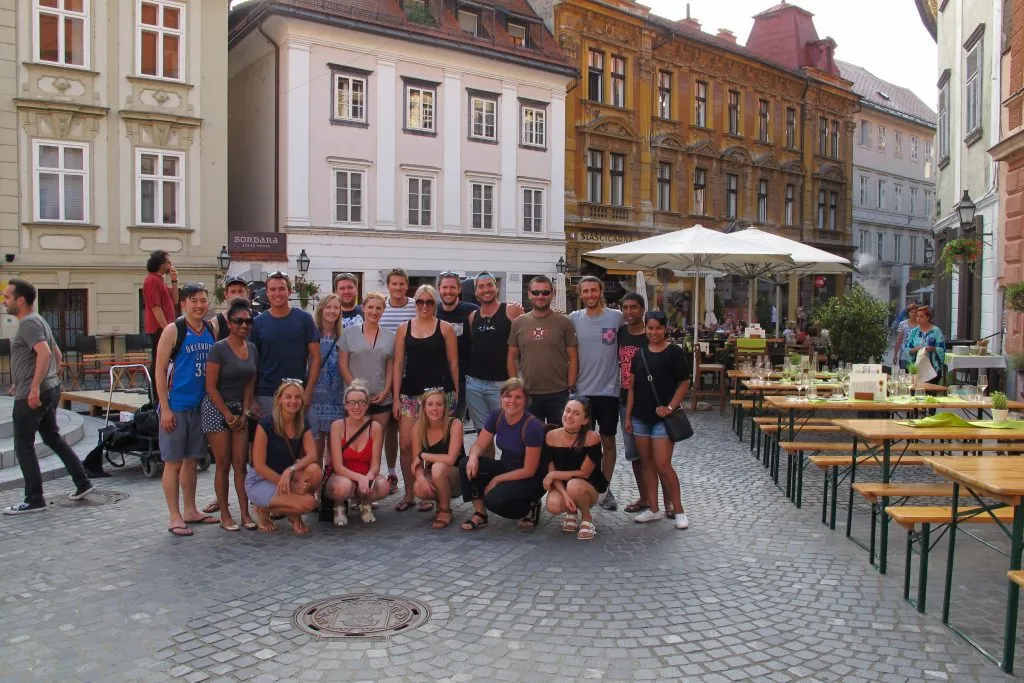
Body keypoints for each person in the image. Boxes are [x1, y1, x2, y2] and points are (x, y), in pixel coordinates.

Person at [2, 279, 94, 515]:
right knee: (53, 438)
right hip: (48, 388)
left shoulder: (28, 324)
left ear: (20, 300)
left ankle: (34, 499)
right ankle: (82, 482)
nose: (4, 301)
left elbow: (44, 352)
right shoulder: (39, 319)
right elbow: (56, 353)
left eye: (7, 297)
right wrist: (36, 379)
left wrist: (33, 388)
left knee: (23, 445)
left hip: (34, 394)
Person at [155, 282, 218, 536]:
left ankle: (191, 509)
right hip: (176, 406)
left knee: (192, 461)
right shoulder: (174, 330)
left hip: (200, 405)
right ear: (184, 303)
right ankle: (174, 515)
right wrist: (165, 407)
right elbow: (159, 370)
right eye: (194, 300)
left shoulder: (210, 329)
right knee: (173, 462)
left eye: (203, 300)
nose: (200, 305)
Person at [392, 284, 459, 512]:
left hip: (439, 394)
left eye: (429, 302)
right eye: (420, 302)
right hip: (410, 393)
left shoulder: (445, 328)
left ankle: (429, 493)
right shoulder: (404, 328)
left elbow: (453, 363)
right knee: (406, 444)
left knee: (435, 444)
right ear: (415, 303)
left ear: (435, 304)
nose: (424, 306)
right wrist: (395, 397)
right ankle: (410, 492)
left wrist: (456, 393)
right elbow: (399, 363)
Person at [624, 311, 691, 530]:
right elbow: (632, 388)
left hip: (664, 417)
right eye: (650, 328)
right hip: (640, 417)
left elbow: (684, 383)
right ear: (646, 329)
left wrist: (670, 407)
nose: (654, 332)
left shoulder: (674, 352)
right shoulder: (639, 354)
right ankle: (653, 508)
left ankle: (679, 510)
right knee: (647, 464)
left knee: (663, 465)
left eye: (658, 328)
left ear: (665, 329)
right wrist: (628, 416)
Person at [458, 378, 547, 531]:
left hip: (530, 479)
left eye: (518, 397)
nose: (512, 401)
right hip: (507, 467)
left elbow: (529, 470)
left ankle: (530, 505)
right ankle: (480, 514)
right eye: (508, 396)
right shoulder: (497, 416)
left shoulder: (532, 427)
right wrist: (473, 457)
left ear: (525, 401)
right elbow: (479, 444)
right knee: (465, 464)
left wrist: (496, 480)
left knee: (493, 499)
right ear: (501, 398)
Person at [201, 297, 257, 531]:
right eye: (239, 321)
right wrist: (227, 414)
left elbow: (249, 382)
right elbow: (210, 386)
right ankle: (225, 513)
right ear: (230, 323)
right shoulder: (219, 348)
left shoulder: (252, 348)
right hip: (217, 408)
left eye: (248, 321)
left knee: (240, 464)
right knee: (223, 465)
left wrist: (244, 412)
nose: (244, 325)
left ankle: (245, 512)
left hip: (239, 409)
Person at [568, 276, 623, 511]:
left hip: (610, 391)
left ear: (601, 292)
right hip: (583, 392)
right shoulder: (573, 319)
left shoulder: (616, 317)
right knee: (584, 443)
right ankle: (586, 483)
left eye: (593, 290)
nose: (589, 295)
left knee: (608, 441)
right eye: (585, 291)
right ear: (580, 294)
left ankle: (605, 488)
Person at [246, 379, 323, 534]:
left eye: (297, 397)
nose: (292, 401)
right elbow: (259, 466)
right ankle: (264, 509)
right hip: (261, 479)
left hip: (286, 475)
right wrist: (292, 486)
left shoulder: (302, 422)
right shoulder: (266, 423)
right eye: (288, 397)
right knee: (308, 504)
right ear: (279, 399)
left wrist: (290, 470)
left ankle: (292, 510)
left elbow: (313, 455)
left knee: (315, 471)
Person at [465, 272, 523, 454]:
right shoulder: (473, 316)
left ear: (496, 287)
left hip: (502, 385)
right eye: (481, 287)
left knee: (509, 432)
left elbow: (526, 338)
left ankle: (510, 474)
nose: (486, 290)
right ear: (475, 292)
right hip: (474, 384)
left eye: (489, 285)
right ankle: (489, 474)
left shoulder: (511, 310)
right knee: (483, 435)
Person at [507, 275, 578, 424]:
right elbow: (512, 357)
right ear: (529, 294)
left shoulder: (564, 322)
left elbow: (573, 357)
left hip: (559, 392)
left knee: (559, 439)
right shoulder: (519, 322)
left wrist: (570, 387)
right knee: (533, 440)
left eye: (545, 292)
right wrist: (515, 385)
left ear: (553, 294)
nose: (541, 296)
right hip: (529, 393)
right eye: (536, 292)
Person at [250, 272, 320, 417]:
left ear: (289, 291)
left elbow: (316, 358)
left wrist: (307, 392)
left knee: (298, 438)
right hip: (266, 394)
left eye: (281, 289)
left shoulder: (304, 319)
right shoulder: (258, 323)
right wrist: (251, 399)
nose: (277, 293)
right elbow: (252, 363)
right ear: (267, 293)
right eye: (273, 289)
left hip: (296, 393)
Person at [543, 397, 607, 540]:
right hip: (565, 485)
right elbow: (551, 470)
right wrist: (564, 495)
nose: (569, 416)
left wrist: (553, 475)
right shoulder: (551, 436)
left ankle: (587, 518)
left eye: (576, 413)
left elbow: (584, 473)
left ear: (585, 420)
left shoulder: (592, 438)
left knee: (574, 485)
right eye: (567, 410)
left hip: (590, 485)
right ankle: (571, 512)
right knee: (553, 504)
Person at [325, 381, 389, 526]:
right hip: (342, 476)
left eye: (361, 402)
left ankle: (365, 503)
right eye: (352, 402)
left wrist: (367, 478)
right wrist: (360, 478)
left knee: (384, 485)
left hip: (366, 475)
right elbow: (338, 465)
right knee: (343, 486)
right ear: (346, 405)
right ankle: (339, 506)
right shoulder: (337, 426)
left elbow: (375, 465)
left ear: (367, 405)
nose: (356, 407)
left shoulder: (375, 427)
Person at [339, 291, 395, 452]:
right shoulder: (348, 333)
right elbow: (343, 365)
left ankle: (373, 475)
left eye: (379, 308)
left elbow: (390, 366)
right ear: (363, 308)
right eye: (370, 307)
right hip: (355, 398)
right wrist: (357, 390)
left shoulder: (390, 336)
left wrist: (386, 391)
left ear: (383, 310)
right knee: (355, 440)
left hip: (381, 397)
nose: (374, 311)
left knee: (376, 442)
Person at [378, 268, 416, 491]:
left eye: (402, 284)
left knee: (410, 434)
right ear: (388, 285)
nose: (398, 288)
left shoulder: (415, 305)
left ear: (406, 285)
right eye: (394, 284)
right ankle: (391, 472)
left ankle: (414, 477)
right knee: (390, 430)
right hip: (385, 376)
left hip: (410, 377)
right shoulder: (381, 307)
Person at [411, 388, 465, 529]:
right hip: (435, 477)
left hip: (456, 478)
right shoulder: (418, 427)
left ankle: (445, 510)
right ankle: (441, 501)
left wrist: (422, 455)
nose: (435, 408)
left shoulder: (455, 424)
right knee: (418, 487)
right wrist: (421, 479)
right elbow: (416, 463)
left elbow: (451, 459)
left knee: (438, 467)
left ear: (445, 407)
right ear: (423, 407)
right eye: (430, 404)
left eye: (439, 404)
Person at [616, 293, 650, 513]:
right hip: (624, 400)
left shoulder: (652, 334)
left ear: (642, 309)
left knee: (657, 457)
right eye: (625, 308)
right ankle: (645, 498)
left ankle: (665, 501)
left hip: (649, 400)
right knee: (635, 455)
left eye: (634, 308)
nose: (629, 312)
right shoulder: (621, 333)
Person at [436, 272, 478, 420]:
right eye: (444, 287)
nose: (448, 291)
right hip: (435, 379)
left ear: (459, 289)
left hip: (461, 380)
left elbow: (492, 312)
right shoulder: (432, 311)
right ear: (439, 289)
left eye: (452, 287)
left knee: (454, 423)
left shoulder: (470, 310)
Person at [310, 294, 344, 457]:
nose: (332, 311)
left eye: (336, 307)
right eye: (329, 307)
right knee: (315, 450)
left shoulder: (343, 337)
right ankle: (315, 482)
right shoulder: (311, 336)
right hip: (314, 397)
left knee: (335, 451)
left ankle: (330, 481)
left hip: (337, 399)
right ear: (321, 309)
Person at [143, 250, 178, 371]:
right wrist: (166, 329)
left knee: (164, 362)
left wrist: (174, 280)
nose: (171, 264)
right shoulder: (151, 280)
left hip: (163, 328)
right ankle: (155, 389)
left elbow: (175, 298)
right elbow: (155, 307)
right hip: (159, 328)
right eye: (168, 262)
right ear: (161, 264)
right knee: (159, 362)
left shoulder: (160, 281)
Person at [902, 306, 946, 380]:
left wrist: (933, 348)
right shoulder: (913, 332)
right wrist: (916, 349)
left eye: (921, 316)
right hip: (916, 369)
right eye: (917, 316)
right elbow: (906, 350)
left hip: (933, 369)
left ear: (928, 317)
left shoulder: (936, 331)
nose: (918, 319)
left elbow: (942, 349)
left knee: (930, 391)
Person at [213, 276, 252, 341]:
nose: (237, 295)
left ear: (248, 293)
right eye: (233, 292)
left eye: (240, 291)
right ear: (226, 294)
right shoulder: (216, 322)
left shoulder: (258, 317)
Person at [892, 303, 919, 370]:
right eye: (911, 312)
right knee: (904, 376)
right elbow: (899, 340)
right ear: (908, 313)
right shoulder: (903, 324)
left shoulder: (920, 325)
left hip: (917, 356)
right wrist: (895, 355)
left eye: (915, 312)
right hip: (904, 355)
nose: (913, 314)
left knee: (916, 377)